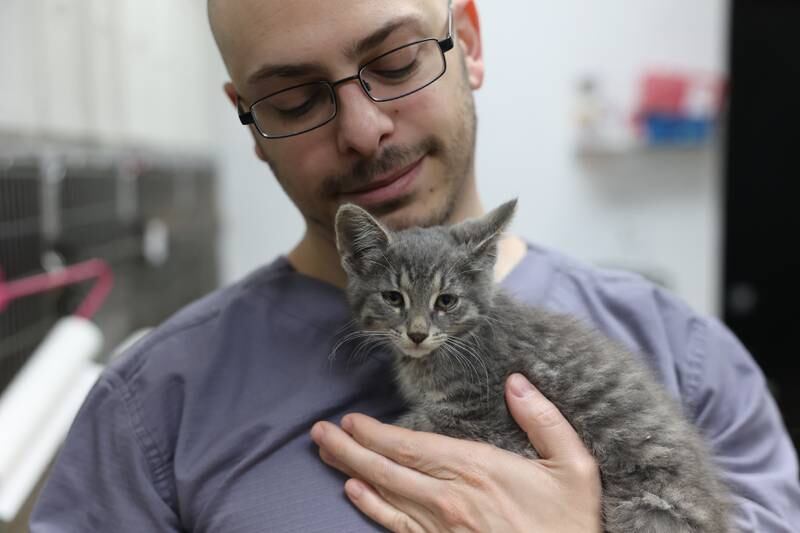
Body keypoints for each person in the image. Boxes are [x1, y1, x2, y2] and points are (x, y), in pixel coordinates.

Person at [30, 0, 800, 531]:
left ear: (467, 40)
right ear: (251, 123)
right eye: (295, 100)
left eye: (395, 62)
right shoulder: (152, 409)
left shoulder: (692, 360)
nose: (364, 132)